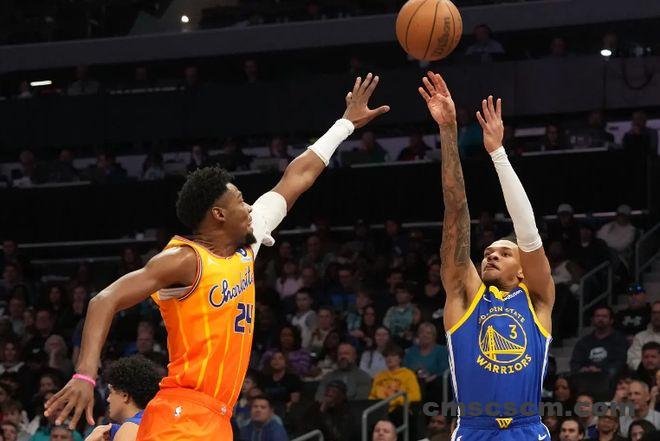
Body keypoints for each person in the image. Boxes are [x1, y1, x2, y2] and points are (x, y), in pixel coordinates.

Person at [44, 73, 390, 439]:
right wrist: (85, 375)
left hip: (218, 417)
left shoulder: (248, 243)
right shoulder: (185, 260)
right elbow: (104, 299)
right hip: (181, 412)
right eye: (240, 200)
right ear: (218, 214)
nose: (248, 206)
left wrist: (345, 125)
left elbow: (297, 176)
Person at [418, 73, 554, 439]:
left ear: (522, 271)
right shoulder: (465, 297)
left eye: (505, 253)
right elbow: (455, 209)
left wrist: (498, 154)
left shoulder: (538, 299)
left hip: (526, 430)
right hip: (474, 430)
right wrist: (448, 130)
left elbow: (528, 234)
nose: (491, 255)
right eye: (488, 252)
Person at [570, 306, 628, 379]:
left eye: (604, 316)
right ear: (593, 320)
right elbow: (575, 363)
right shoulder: (584, 342)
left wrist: (601, 371)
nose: (600, 319)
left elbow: (620, 363)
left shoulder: (619, 340)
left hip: (611, 379)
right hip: (586, 378)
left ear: (611, 320)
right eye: (597, 316)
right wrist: (583, 370)